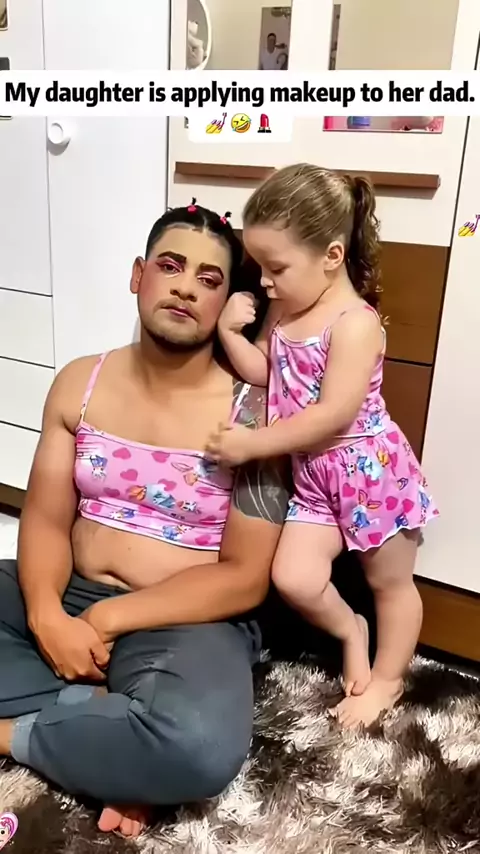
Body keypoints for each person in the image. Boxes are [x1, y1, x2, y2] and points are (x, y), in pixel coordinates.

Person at [0, 201, 289, 838]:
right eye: (171, 266)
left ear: (227, 304)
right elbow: (44, 520)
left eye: (209, 279)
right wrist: (47, 616)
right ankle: (113, 733)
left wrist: (103, 621)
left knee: (197, 747)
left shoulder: (256, 413)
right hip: (68, 590)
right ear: (139, 275)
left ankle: (22, 734)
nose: (186, 287)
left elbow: (245, 578)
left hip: (186, 620)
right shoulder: (80, 382)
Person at [208, 163, 439, 729]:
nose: (265, 282)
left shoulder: (356, 323)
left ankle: (387, 681)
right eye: (260, 266)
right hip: (313, 477)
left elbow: (333, 414)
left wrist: (253, 443)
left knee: (391, 585)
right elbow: (269, 376)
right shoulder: (288, 314)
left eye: (276, 267)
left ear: (332, 256)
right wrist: (230, 334)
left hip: (369, 472)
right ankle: (349, 630)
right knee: (294, 577)